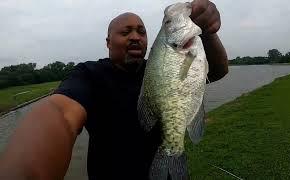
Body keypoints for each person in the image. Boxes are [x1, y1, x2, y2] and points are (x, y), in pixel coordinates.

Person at [0, 0, 228, 179]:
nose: (135, 37)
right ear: (108, 41)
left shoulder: (159, 68)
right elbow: (60, 112)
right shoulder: (89, 75)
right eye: (125, 32)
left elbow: (216, 71)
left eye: (141, 31)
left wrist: (208, 31)